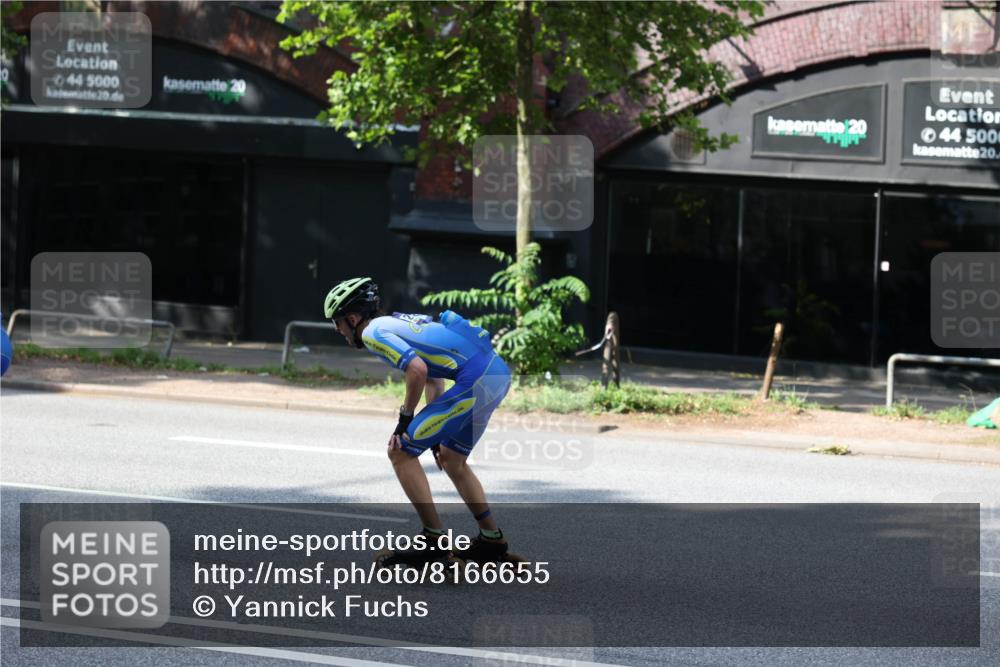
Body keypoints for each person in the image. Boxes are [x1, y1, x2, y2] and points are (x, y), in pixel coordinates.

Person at [323, 276, 513, 565]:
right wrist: (434, 436)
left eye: (337, 322)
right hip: (496, 374)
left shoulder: (374, 332)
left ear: (352, 318)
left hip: (476, 380)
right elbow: (434, 381)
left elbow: (417, 370)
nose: (337, 330)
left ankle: (433, 541)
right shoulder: (395, 323)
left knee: (400, 452)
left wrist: (405, 418)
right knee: (451, 457)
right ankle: (491, 540)